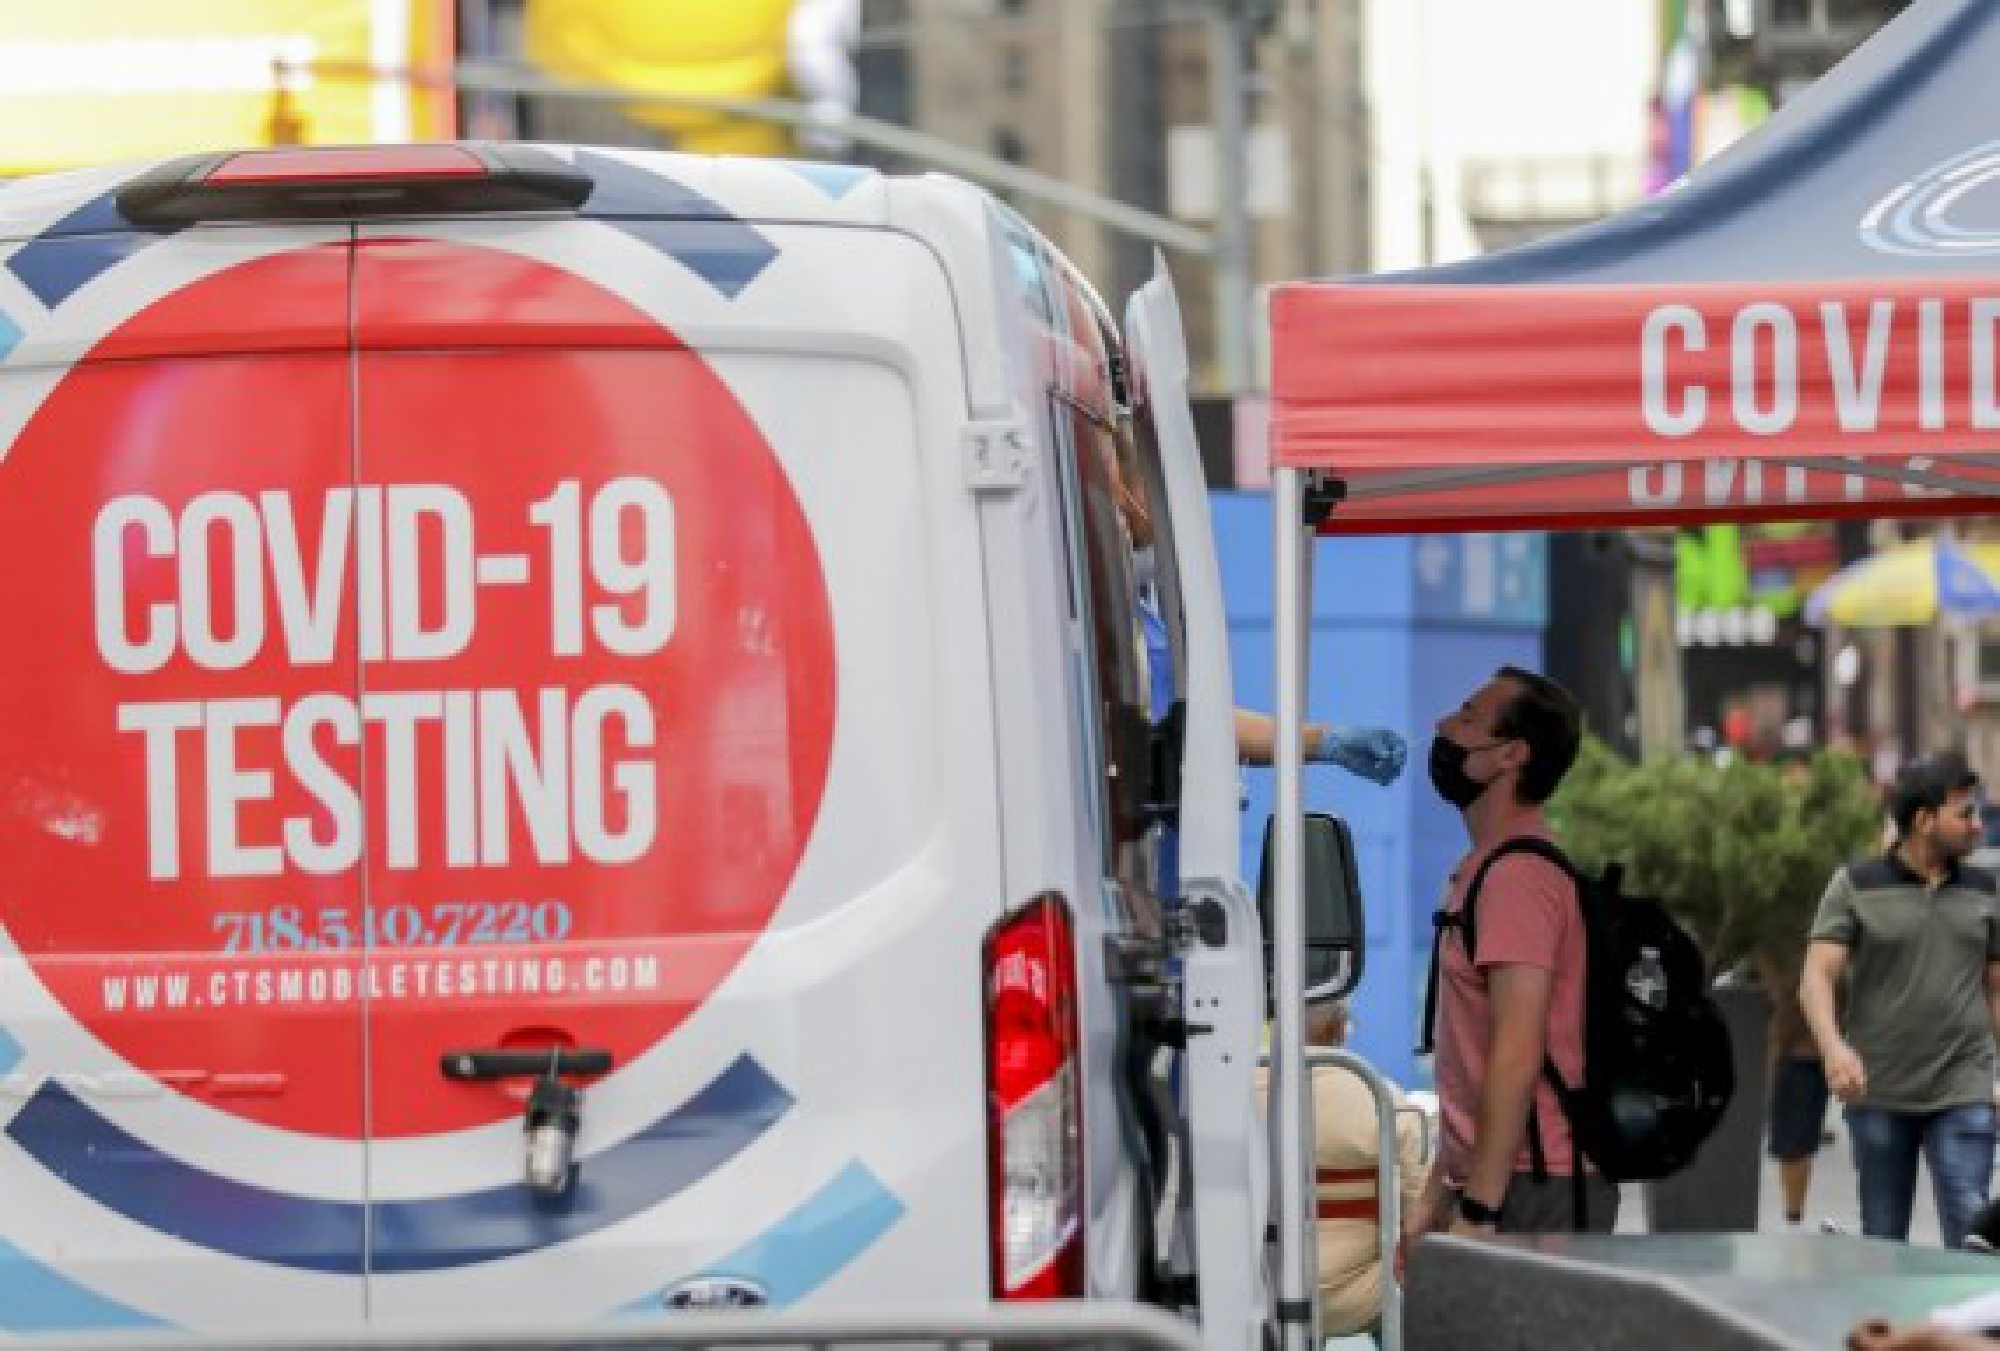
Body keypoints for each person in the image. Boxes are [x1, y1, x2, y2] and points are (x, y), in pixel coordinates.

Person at [1411, 666, 1617, 1237]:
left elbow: (1516, 1052)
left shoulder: (1517, 876)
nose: (1443, 726)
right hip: (1505, 1179)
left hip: (1536, 1186)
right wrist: (1439, 1189)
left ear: (1510, 755)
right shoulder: (1487, 867)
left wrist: (1479, 1211)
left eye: (1468, 717)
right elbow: (1470, 1058)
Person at [1799, 752, 2000, 1249]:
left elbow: (1997, 988)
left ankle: (1974, 1330)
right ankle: (1897, 1329)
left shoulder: (1986, 889)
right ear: (1923, 820)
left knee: (1974, 1237)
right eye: (1964, 814)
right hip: (1879, 1089)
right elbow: (1817, 976)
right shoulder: (1855, 886)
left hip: (1964, 1085)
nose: (1977, 825)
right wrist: (1833, 1048)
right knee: (1883, 1241)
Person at [1256, 998, 1426, 1343]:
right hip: (1361, 1295)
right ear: (1341, 1027)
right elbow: (1416, 1208)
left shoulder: (1239, 1093)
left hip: (1261, 1289)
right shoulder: (1380, 1097)